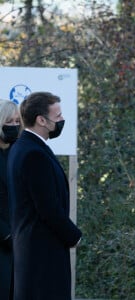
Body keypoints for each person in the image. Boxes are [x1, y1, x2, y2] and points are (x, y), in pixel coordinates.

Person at [7, 92, 82, 300]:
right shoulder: (33, 154)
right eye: (57, 116)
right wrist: (74, 235)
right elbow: (47, 206)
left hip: (34, 252)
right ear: (41, 120)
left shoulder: (24, 147)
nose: (61, 120)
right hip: (41, 254)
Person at [0, 100, 21, 300]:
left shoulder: (18, 151)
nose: (14, 125)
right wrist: (5, 234)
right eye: (9, 121)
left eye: (17, 121)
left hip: (20, 240)